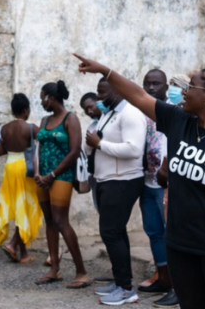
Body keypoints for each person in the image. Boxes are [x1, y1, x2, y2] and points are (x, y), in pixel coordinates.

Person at [73, 53, 205, 309]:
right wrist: (105, 71)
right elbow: (139, 96)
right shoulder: (179, 121)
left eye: (190, 86)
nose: (182, 92)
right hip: (180, 244)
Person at [85, 77, 147, 306]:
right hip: (106, 180)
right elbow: (94, 143)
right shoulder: (110, 114)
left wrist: (99, 144)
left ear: (118, 90)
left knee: (110, 232)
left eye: (103, 92)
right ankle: (121, 281)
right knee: (116, 232)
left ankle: (126, 290)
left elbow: (133, 149)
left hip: (123, 182)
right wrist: (93, 143)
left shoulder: (130, 114)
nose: (99, 97)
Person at [33, 81, 90, 290]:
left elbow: (74, 151)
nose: (41, 102)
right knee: (49, 221)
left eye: (43, 98)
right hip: (42, 177)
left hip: (61, 176)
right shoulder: (45, 119)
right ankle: (54, 269)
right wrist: (38, 173)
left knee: (61, 221)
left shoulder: (70, 119)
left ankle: (81, 272)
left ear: (52, 98)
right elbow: (38, 147)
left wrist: (52, 174)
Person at [137, 69, 176, 308]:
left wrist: (165, 168)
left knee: (170, 233)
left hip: (167, 183)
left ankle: (176, 283)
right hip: (146, 181)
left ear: (165, 87)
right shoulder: (142, 110)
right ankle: (162, 276)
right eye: (147, 84)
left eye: (156, 84)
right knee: (153, 231)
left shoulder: (174, 112)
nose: (151, 88)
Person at [0, 93, 42, 264]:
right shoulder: (30, 128)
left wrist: (12, 147)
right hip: (25, 168)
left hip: (10, 167)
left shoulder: (4, 128)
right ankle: (14, 245)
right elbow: (45, 142)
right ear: (26, 110)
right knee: (26, 207)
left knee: (18, 207)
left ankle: (23, 252)